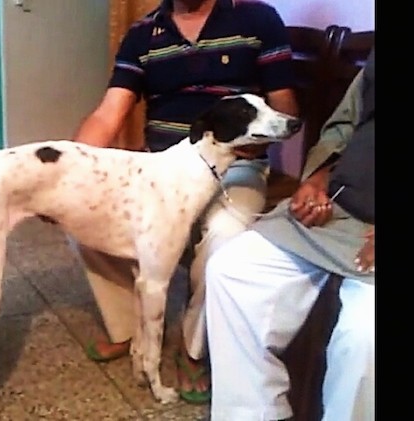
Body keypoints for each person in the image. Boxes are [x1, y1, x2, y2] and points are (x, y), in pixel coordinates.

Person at [72, 0, 298, 403]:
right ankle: (129, 330)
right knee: (83, 218)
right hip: (161, 166)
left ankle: (193, 347)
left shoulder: (256, 18)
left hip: (237, 164)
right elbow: (109, 115)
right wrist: (72, 175)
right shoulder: (143, 33)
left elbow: (285, 106)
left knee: (226, 237)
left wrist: (253, 142)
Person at [205, 48, 375, 420]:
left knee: (366, 334)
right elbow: (344, 127)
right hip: (343, 206)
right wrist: (318, 176)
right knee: (232, 270)